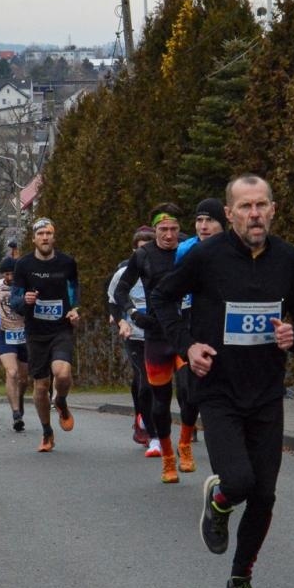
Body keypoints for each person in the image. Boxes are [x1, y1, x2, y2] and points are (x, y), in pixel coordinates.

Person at [150, 175, 294, 588]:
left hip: (266, 390)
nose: (255, 214)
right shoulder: (206, 257)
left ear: (274, 210)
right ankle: (220, 499)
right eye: (245, 207)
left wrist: (293, 334)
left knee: (265, 494)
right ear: (229, 214)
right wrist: (187, 345)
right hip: (218, 388)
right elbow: (161, 300)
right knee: (240, 482)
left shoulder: (287, 259)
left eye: (261, 205)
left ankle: (240, 581)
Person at [112, 203, 187, 483]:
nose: (169, 235)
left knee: (191, 392)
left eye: (174, 229)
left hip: (183, 332)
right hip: (154, 334)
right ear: (155, 230)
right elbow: (120, 290)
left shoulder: (188, 251)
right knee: (159, 399)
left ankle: (186, 444)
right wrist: (132, 314)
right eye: (163, 229)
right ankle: (167, 456)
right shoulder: (143, 255)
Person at [11, 217, 82, 452]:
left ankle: (60, 400)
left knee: (62, 373)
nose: (45, 238)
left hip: (61, 328)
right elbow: (14, 301)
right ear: (34, 238)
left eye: (48, 234)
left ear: (54, 236)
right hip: (36, 332)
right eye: (40, 234)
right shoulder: (23, 265)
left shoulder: (67, 262)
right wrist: (25, 300)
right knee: (40, 387)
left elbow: (73, 290)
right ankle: (47, 432)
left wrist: (74, 310)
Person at [169, 198, 227, 469]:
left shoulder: (232, 250)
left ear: (223, 223)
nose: (203, 226)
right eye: (199, 221)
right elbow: (171, 289)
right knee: (187, 390)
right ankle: (183, 441)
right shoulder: (185, 250)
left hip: (220, 328)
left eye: (210, 221)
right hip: (189, 324)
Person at [106, 227, 155, 446]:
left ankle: (145, 419)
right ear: (134, 251)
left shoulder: (164, 269)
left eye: (149, 249)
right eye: (140, 250)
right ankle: (147, 425)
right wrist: (121, 321)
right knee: (145, 379)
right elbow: (113, 301)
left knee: (151, 382)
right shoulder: (123, 274)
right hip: (134, 334)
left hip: (158, 335)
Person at [0, 257, 30, 431]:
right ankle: (15, 414)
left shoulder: (25, 284)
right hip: (7, 335)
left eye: (13, 273)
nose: (10, 277)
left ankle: (19, 401)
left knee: (24, 379)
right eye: (6, 274)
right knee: (11, 372)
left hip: (25, 335)